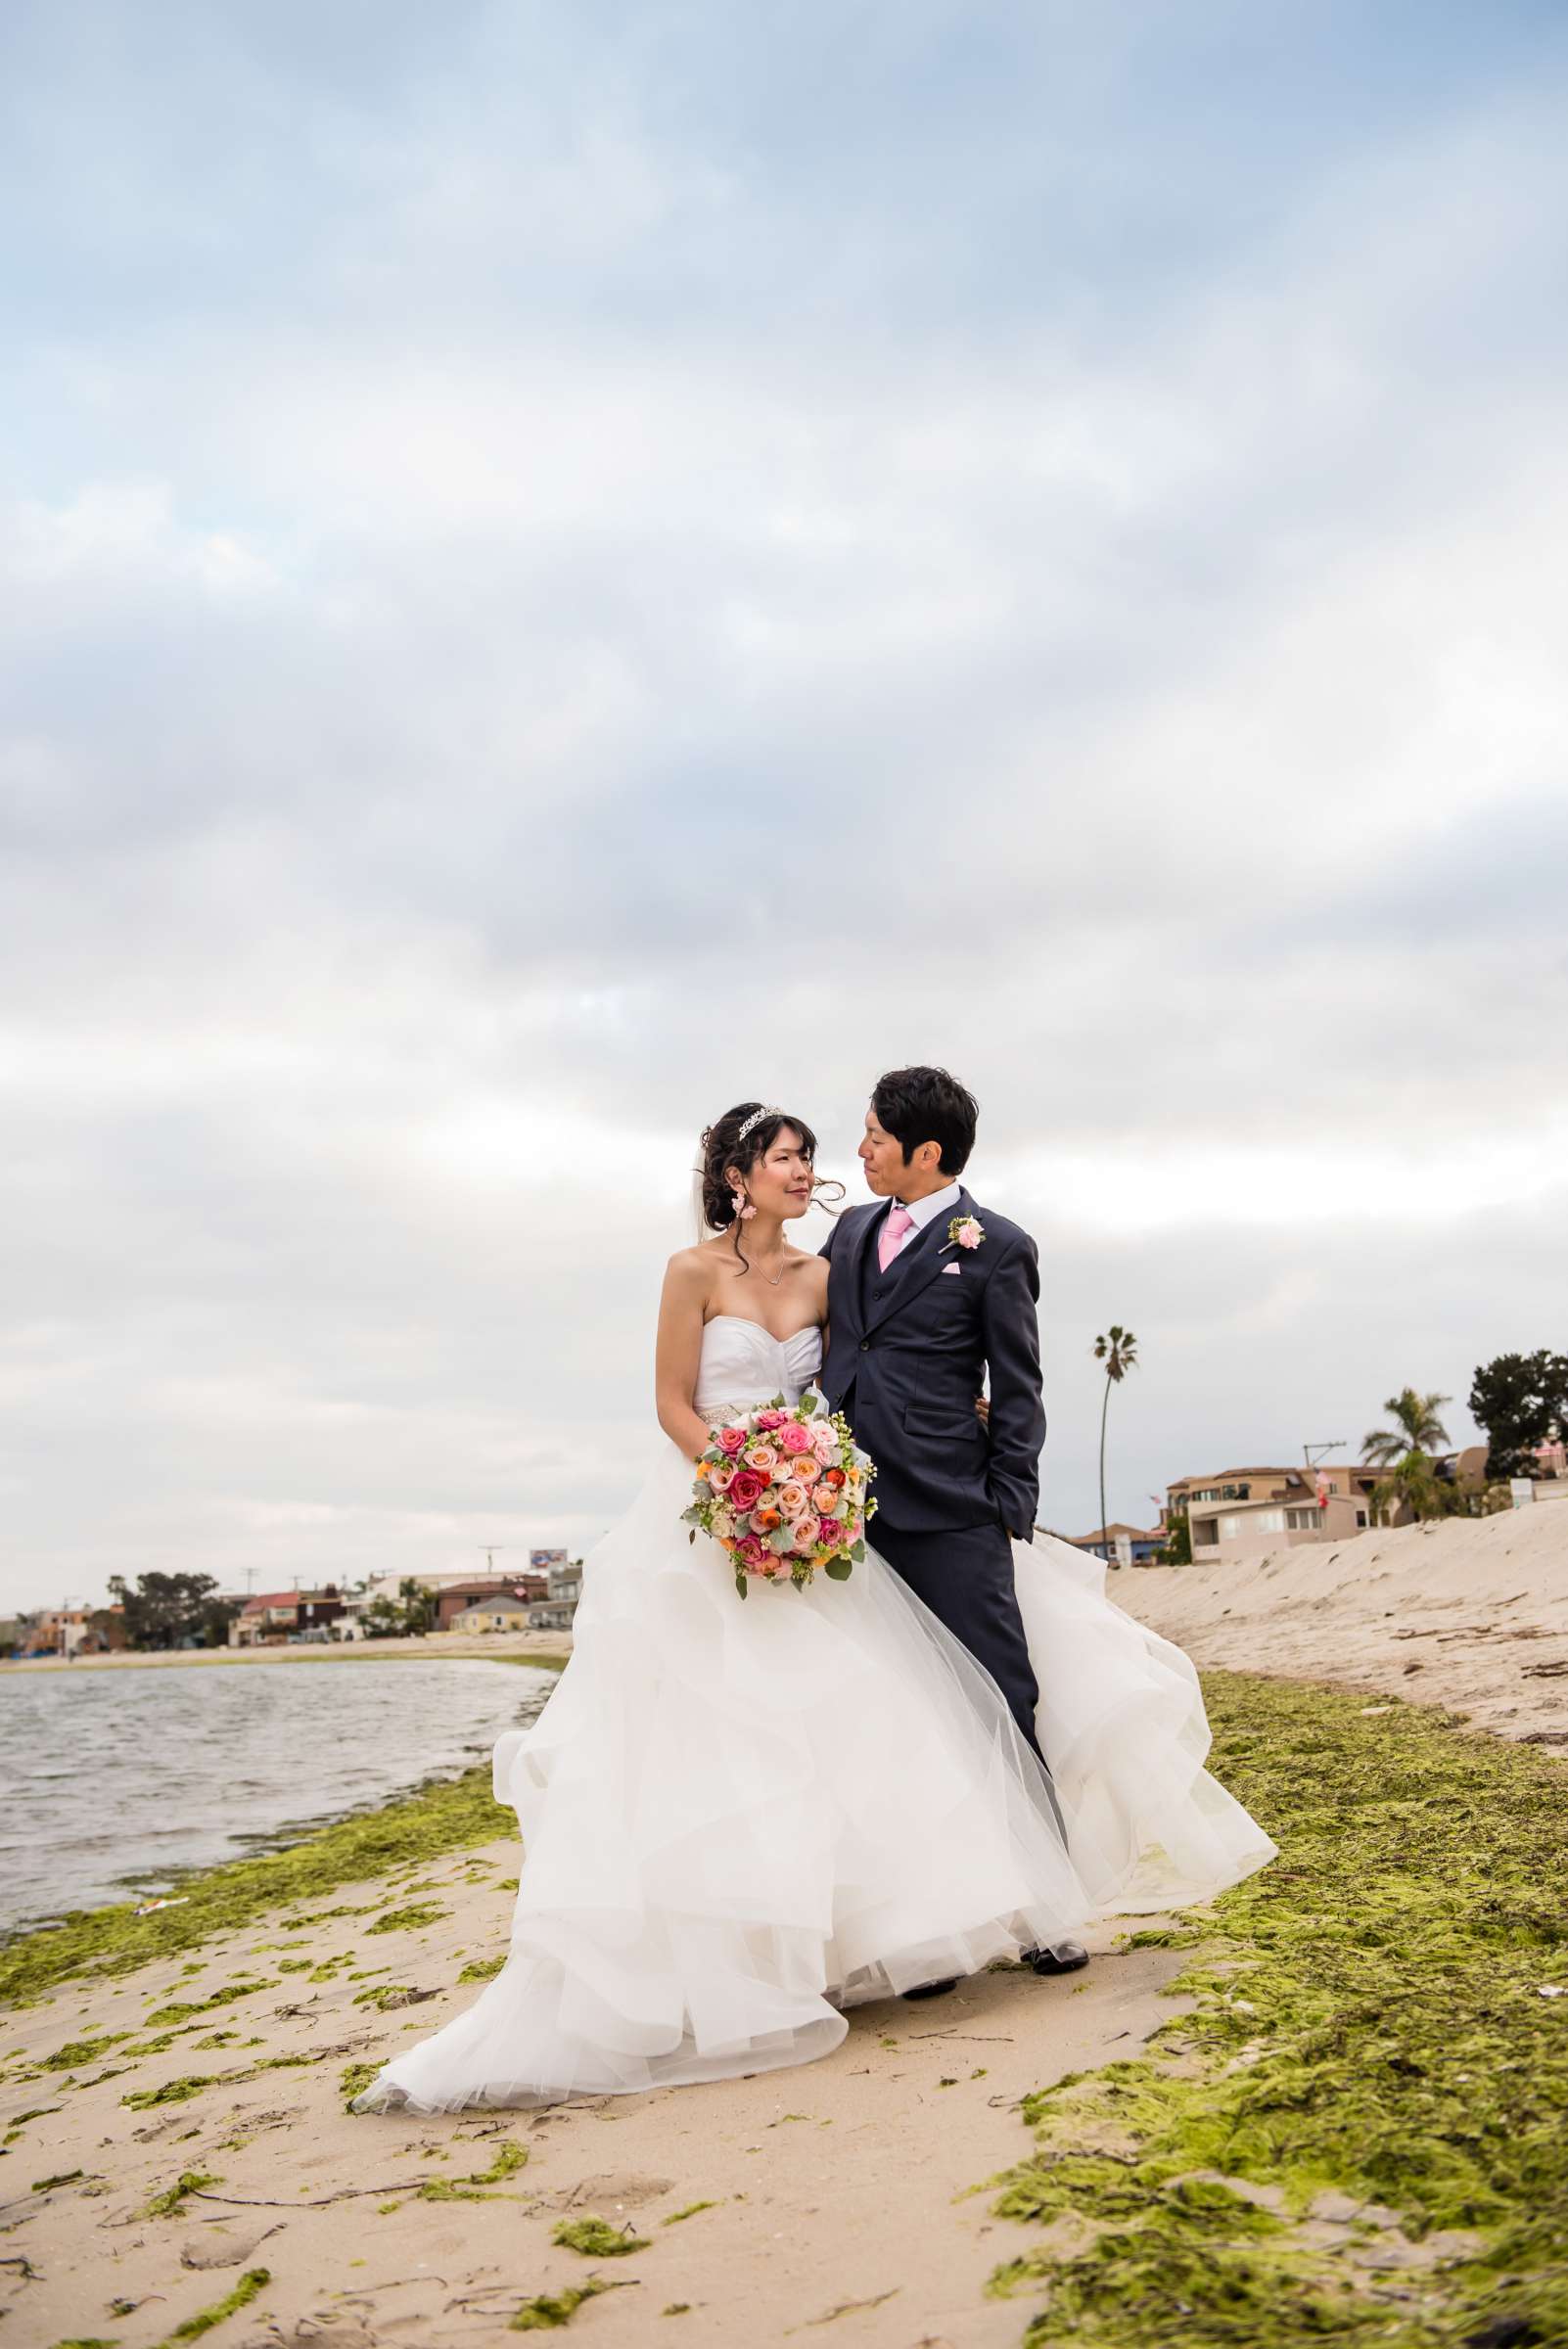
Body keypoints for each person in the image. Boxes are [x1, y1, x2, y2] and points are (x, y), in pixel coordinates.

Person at [353, 1100, 1273, 2115]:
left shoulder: (838, 1265)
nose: (811, 1168)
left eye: (815, 1154)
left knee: (872, 1713)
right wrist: (742, 1479)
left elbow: (885, 1369)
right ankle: (750, 1948)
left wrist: (851, 1470)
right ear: (737, 1176)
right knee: (725, 1732)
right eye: (788, 1157)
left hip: (827, 1517)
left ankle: (930, 1927)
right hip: (715, 1516)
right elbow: (671, 1402)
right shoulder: (693, 1272)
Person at [819, 1066, 1082, 1990]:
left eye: (875, 1138)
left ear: (925, 1153)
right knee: (894, 1720)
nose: (859, 1152)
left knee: (1000, 1700)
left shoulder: (999, 1247)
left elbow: (1019, 1384)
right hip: (845, 1516)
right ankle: (928, 1931)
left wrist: (1010, 1499)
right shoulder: (848, 1229)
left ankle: (1050, 1913)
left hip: (954, 1506)